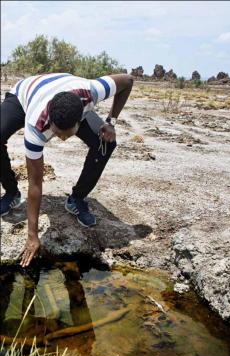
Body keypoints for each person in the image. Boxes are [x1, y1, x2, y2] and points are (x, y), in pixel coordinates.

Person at [0, 72, 133, 267]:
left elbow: (128, 80)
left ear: (80, 120)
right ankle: (11, 193)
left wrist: (111, 121)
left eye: (65, 135)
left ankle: (76, 199)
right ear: (50, 121)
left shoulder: (93, 90)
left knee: (106, 143)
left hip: (70, 96)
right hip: (25, 94)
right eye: (55, 133)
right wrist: (32, 236)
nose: (60, 139)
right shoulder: (35, 127)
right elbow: (35, 183)